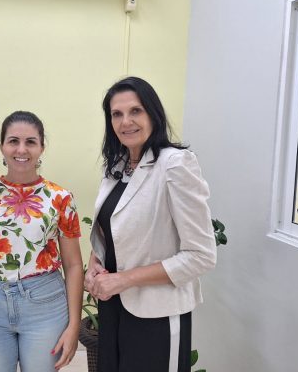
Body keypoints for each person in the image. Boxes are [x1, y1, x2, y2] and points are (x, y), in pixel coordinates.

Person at [84, 77, 217, 372]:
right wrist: (94, 263)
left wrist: (123, 279)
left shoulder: (176, 164)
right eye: (117, 114)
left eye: (136, 111)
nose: (125, 122)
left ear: (153, 114)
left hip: (156, 313)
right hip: (114, 306)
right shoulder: (116, 165)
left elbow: (201, 256)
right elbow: (113, 230)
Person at [0, 111, 84, 372]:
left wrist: (74, 325)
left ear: (41, 148)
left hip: (45, 305)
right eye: (13, 141)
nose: (21, 150)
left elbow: (73, 265)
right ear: (2, 146)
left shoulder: (61, 198)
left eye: (31, 142)